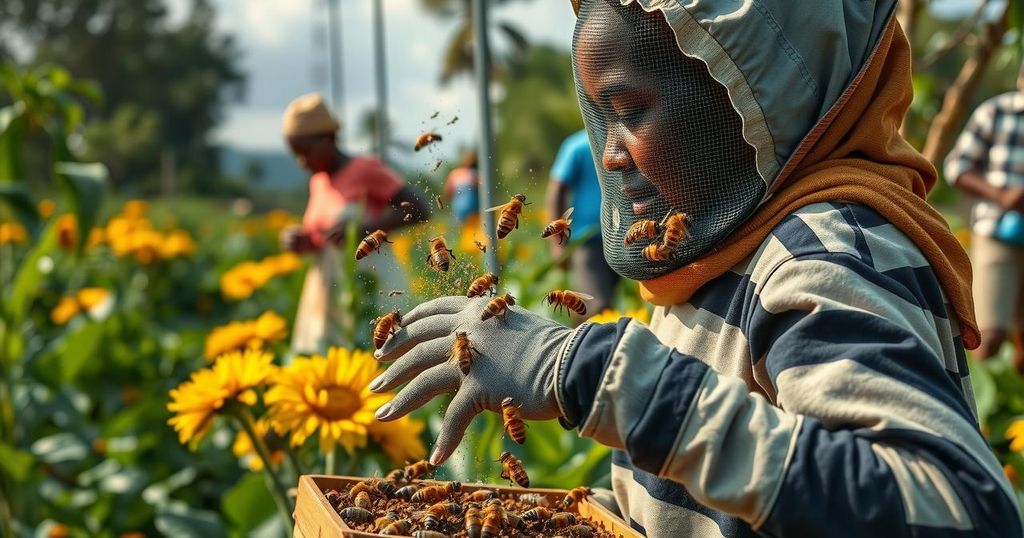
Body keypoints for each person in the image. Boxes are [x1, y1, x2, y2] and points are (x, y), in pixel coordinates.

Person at [369, 2, 1022, 537]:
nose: (613, 155)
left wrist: (589, 372)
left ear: (749, 100)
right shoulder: (723, 260)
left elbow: (954, 511)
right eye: (603, 118)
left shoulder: (822, 254)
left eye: (632, 111)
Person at [280, 93, 429, 352]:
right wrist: (303, 241)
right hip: (330, 293)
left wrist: (363, 230)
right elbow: (323, 236)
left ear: (329, 139)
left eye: (306, 152)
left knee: (381, 354)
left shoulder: (364, 169)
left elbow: (418, 209)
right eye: (296, 155)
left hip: (370, 286)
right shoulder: (318, 182)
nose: (302, 162)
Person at [945, 61, 1024, 372]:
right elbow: (957, 167)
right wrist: (1001, 195)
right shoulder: (997, 113)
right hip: (997, 232)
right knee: (988, 336)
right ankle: (973, 410)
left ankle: (1012, 413)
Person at [547, 129, 619, 315]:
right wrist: (558, 243)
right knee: (597, 306)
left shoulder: (620, 139)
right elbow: (557, 190)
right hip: (587, 240)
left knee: (620, 305)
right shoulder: (578, 145)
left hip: (621, 238)